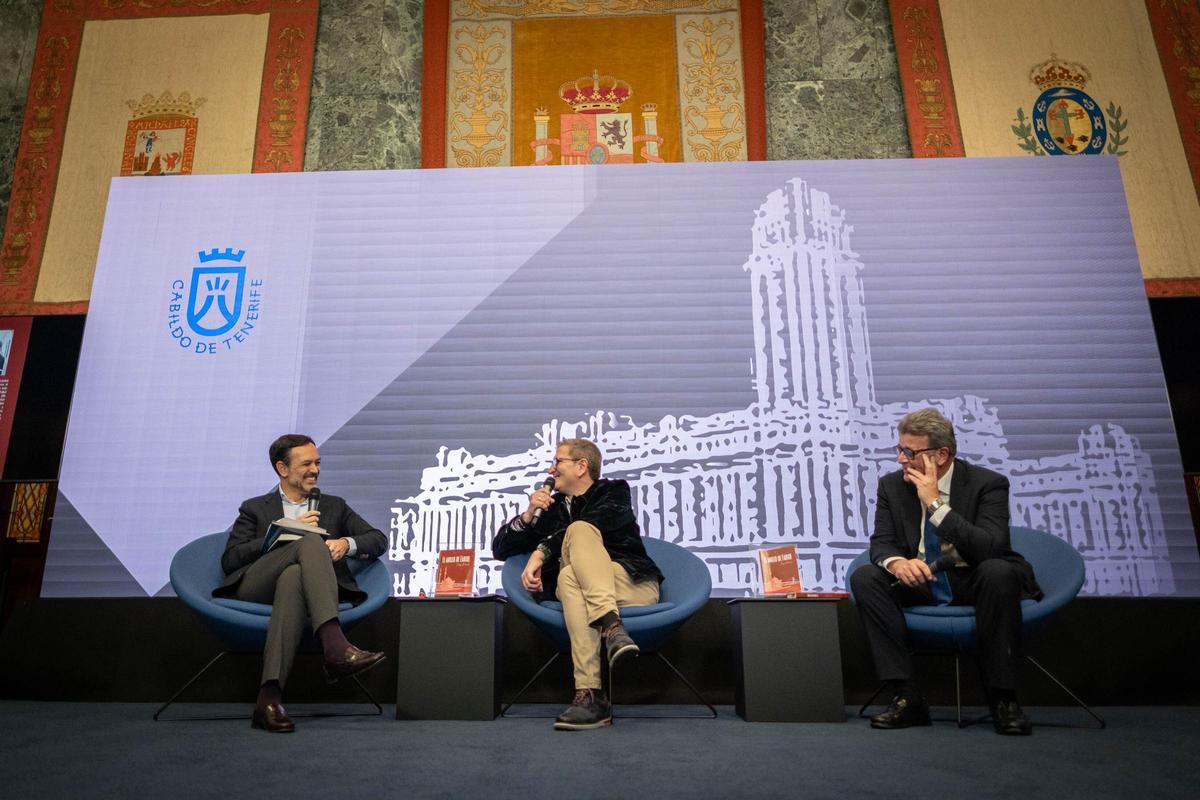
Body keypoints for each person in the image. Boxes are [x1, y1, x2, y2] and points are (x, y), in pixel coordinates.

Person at [850, 408, 1042, 735]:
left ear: (940, 455)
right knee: (866, 577)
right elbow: (881, 543)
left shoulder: (988, 484)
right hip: (922, 580)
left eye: (909, 452)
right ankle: (906, 697)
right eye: (899, 450)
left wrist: (936, 505)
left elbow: (990, 548)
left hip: (975, 578)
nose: (900, 460)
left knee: (998, 572)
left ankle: (1003, 699)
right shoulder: (892, 487)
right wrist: (899, 563)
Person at [213, 434, 388, 732]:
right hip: (256, 587)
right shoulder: (255, 508)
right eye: (306, 463)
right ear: (283, 469)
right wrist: (277, 534)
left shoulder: (334, 506)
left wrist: (346, 543)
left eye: (318, 463)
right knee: (309, 541)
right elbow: (231, 559)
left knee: (293, 578)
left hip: (297, 592)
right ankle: (335, 647)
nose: (315, 470)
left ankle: (268, 700)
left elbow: (378, 539)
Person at [492, 438, 663, 730]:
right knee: (570, 576)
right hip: (593, 595)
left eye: (558, 461)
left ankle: (590, 696)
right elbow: (501, 549)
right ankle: (613, 628)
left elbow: (588, 525)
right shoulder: (550, 508)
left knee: (574, 558)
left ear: (582, 466)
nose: (551, 468)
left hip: (631, 583)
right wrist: (527, 515)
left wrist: (540, 551)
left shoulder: (614, 492)